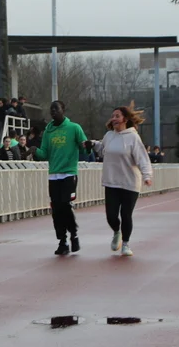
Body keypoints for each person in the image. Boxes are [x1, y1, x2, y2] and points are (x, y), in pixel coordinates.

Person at [90, 104, 153, 257]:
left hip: (130, 183)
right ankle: (117, 232)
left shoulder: (133, 137)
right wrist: (93, 144)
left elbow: (142, 158)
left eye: (117, 116)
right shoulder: (109, 136)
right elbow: (102, 149)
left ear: (125, 119)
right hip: (111, 181)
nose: (114, 119)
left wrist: (147, 175)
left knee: (126, 214)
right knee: (111, 215)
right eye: (112, 116)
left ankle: (125, 244)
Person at [33, 100, 88, 256]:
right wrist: (34, 151)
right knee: (56, 209)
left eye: (56, 109)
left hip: (69, 173)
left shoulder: (74, 128)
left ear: (63, 110)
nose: (53, 111)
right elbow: (44, 154)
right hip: (54, 175)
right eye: (51, 109)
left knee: (65, 205)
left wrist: (88, 147)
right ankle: (62, 241)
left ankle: (73, 234)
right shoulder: (48, 132)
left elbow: (84, 148)